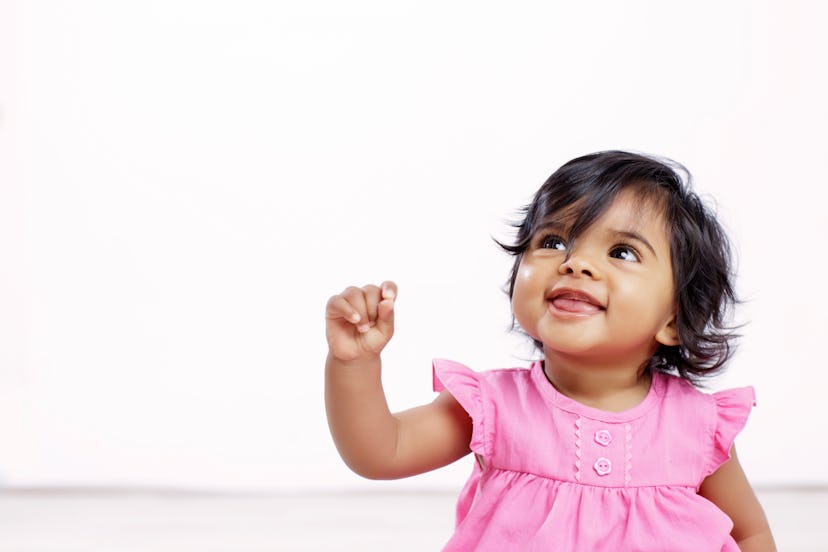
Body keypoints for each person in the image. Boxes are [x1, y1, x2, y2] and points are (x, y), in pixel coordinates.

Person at [324, 151, 776, 551]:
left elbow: (748, 533)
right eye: (553, 241)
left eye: (621, 252)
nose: (575, 262)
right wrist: (354, 364)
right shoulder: (494, 407)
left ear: (674, 320)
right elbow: (381, 452)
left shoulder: (696, 425)